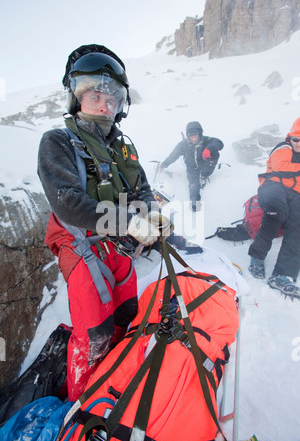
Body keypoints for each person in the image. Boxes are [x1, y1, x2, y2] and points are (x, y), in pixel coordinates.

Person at [38, 44, 172, 401]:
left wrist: (151, 214)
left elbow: (142, 188)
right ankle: (83, 406)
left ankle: (114, 379)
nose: (105, 104)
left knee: (127, 314)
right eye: (95, 94)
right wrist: (129, 221)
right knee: (94, 331)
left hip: (117, 245)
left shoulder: (123, 149)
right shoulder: (58, 142)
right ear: (77, 96)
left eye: (112, 97)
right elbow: (69, 204)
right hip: (80, 243)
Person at [248, 117, 300, 299]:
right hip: (273, 187)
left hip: (297, 195)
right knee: (276, 211)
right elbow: (281, 167)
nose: (298, 143)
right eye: (295, 139)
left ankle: (282, 275)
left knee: (297, 227)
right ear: (290, 137)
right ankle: (257, 256)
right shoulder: (282, 147)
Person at [160, 121, 224, 211]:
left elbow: (219, 143)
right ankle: (195, 202)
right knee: (193, 184)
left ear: (200, 134)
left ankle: (203, 176)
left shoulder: (206, 140)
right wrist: (163, 165)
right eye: (191, 136)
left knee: (215, 153)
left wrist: (208, 148)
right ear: (188, 136)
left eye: (196, 136)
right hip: (192, 169)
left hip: (205, 166)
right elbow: (173, 156)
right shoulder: (183, 145)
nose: (194, 138)